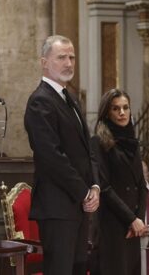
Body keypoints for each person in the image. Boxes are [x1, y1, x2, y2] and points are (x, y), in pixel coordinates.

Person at [24, 35, 99, 275]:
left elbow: (88, 151)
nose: (69, 63)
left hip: (77, 205)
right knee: (60, 270)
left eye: (72, 57)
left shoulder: (70, 98)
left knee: (78, 269)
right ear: (44, 62)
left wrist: (95, 186)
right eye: (61, 57)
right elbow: (52, 157)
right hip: (57, 206)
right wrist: (84, 192)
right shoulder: (40, 101)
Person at [90, 88, 147, 275]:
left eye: (125, 107)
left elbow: (141, 185)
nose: (122, 112)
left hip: (133, 226)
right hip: (112, 222)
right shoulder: (98, 142)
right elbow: (104, 187)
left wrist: (138, 219)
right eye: (116, 108)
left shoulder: (133, 142)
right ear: (107, 112)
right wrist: (131, 219)